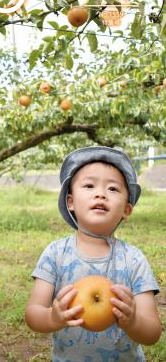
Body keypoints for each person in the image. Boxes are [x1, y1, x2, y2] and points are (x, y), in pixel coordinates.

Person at [25, 146, 161, 362]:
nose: (101, 194)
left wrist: (133, 320)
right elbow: (33, 313)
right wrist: (53, 317)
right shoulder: (56, 254)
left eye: (113, 189)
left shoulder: (133, 260)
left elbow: (153, 332)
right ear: (70, 202)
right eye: (89, 185)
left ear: (127, 209)